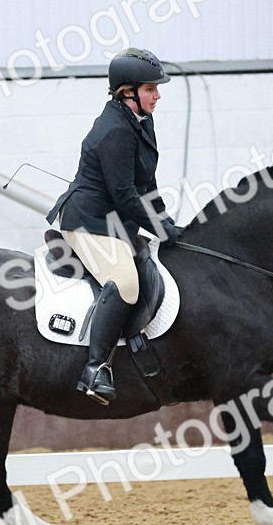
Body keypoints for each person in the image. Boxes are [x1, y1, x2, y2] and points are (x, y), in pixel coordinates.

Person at [46, 48, 183, 405]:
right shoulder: (115, 131)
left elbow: (146, 183)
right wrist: (160, 228)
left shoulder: (141, 121)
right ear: (127, 92)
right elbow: (125, 196)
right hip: (88, 221)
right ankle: (94, 370)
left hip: (114, 220)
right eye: (150, 89)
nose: (157, 95)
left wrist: (165, 220)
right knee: (125, 283)